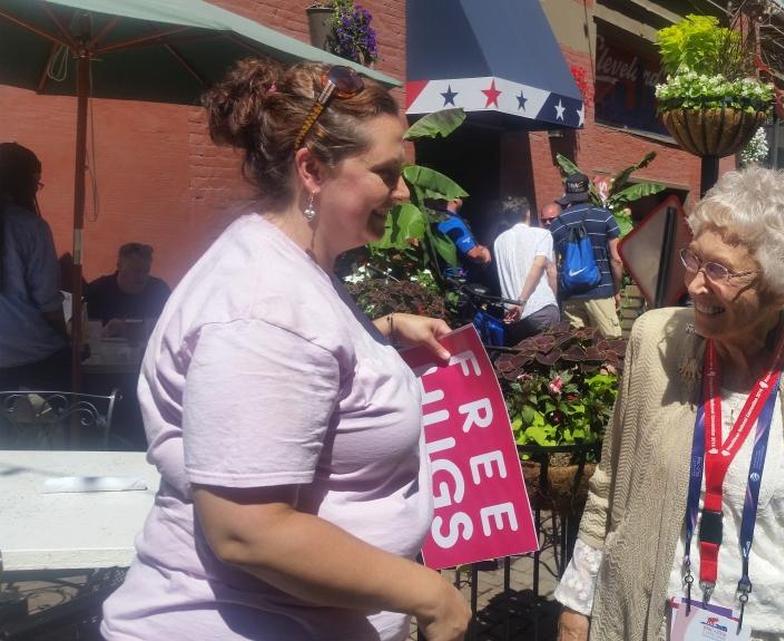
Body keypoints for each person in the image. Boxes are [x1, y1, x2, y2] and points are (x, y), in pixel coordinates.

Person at [100, 59, 470, 641]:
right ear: (312, 170)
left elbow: (297, 375)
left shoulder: (287, 278)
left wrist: (385, 327)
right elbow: (250, 530)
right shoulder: (264, 307)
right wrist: (430, 596)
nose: (402, 192)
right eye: (386, 172)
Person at [555, 167, 784, 641]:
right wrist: (577, 606)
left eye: (720, 270)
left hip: (782, 628)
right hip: (654, 623)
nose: (696, 285)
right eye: (695, 260)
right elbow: (609, 484)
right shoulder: (654, 340)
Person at [0, 142, 70, 391]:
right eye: (36, 182)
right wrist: (67, 340)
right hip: (28, 356)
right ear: (22, 182)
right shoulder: (31, 228)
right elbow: (48, 303)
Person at [548, 172, 623, 338]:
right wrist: (616, 290)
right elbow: (616, 259)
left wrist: (557, 298)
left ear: (568, 194)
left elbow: (552, 269)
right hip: (601, 292)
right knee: (609, 349)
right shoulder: (604, 217)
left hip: (570, 295)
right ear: (588, 191)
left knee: (577, 351)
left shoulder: (556, 225)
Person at [492, 196, 560, 344]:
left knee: (524, 364)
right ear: (528, 213)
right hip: (541, 308)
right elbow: (548, 270)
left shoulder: (498, 242)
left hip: (513, 317)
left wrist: (515, 304)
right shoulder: (542, 235)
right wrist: (522, 301)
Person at [86, 242, 172, 334]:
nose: (141, 277)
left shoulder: (160, 292)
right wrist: (103, 333)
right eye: (136, 271)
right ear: (119, 266)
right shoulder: (97, 291)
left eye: (146, 271)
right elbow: (77, 332)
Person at [434, 197, 491, 269]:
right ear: (455, 200)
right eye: (461, 197)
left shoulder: (445, 216)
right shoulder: (452, 222)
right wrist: (485, 256)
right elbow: (473, 254)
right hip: (458, 274)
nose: (463, 200)